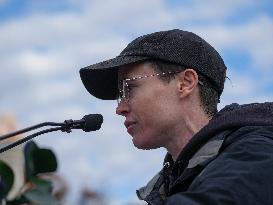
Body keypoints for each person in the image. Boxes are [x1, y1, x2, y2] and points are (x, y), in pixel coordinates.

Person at [79, 29, 273, 205]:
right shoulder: (171, 184)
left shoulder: (258, 150)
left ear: (185, 83)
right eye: (119, 96)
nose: (120, 108)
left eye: (129, 88)